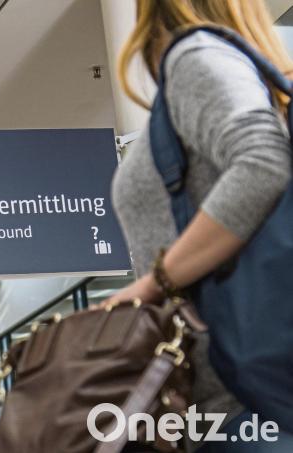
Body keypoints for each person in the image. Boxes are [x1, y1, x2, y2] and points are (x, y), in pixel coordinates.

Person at [104, 0, 292, 451]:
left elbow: (263, 162)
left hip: (239, 405)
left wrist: (155, 283)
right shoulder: (245, 71)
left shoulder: (196, 55)